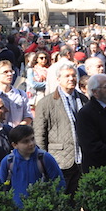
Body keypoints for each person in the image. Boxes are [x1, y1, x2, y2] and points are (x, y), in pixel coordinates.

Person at [33, 62, 87, 195]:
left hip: (82, 159)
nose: (71, 79)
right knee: (61, 198)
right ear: (58, 79)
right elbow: (39, 134)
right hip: (60, 160)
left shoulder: (83, 99)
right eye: (67, 76)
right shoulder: (46, 103)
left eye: (73, 75)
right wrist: (43, 161)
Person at [0, 125, 65, 207]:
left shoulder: (45, 158)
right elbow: (1, 186)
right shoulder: (8, 162)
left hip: (42, 208)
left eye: (32, 139)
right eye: (25, 141)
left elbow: (59, 181)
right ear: (15, 145)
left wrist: (52, 203)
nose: (31, 143)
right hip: (16, 209)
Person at [0, 60, 32, 127]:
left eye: (11, 71)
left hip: (19, 131)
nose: (10, 74)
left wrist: (18, 128)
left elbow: (28, 116)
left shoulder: (21, 94)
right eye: (5, 72)